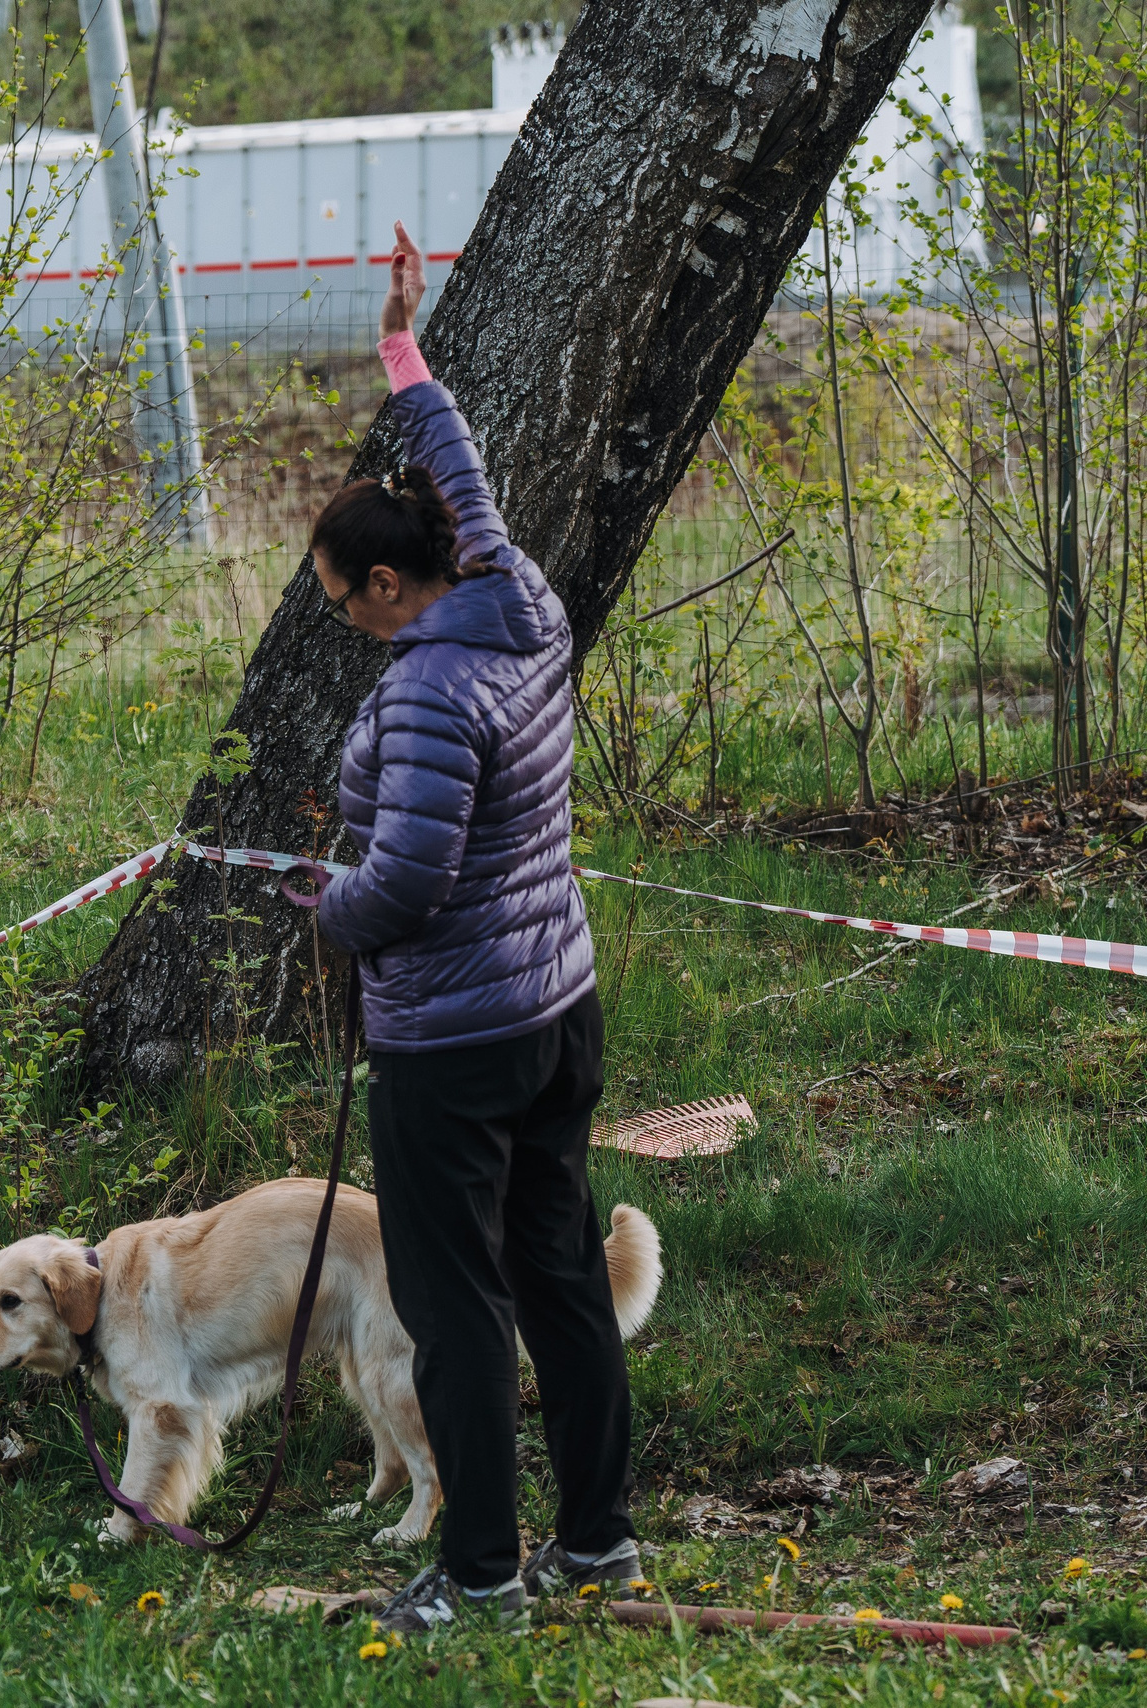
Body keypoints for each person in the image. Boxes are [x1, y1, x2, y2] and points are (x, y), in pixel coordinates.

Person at [295, 221, 638, 1631]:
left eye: (345, 605)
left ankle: (483, 1573)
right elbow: (460, 467)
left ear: (390, 586)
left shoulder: (434, 689)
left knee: (454, 1310)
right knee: (558, 1276)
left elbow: (412, 883)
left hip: (457, 1043)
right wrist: (401, 347)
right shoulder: (516, 594)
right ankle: (599, 1545)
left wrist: (327, 908)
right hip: (559, 1008)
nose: (346, 623)